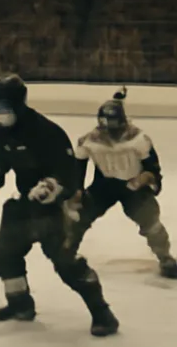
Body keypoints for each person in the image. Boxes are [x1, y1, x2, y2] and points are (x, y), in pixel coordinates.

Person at [0, 74, 119, 336]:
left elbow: (68, 173)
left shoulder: (47, 133)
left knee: (67, 264)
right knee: (3, 256)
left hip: (55, 210)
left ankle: (103, 313)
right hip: (24, 206)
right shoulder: (2, 135)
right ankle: (20, 304)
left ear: (17, 106)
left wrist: (50, 186)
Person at [69, 89, 176, 279]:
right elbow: (78, 167)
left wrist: (147, 178)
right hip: (104, 186)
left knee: (150, 221)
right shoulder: (88, 141)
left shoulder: (138, 139)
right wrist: (76, 190)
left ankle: (164, 256)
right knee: (81, 215)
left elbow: (153, 166)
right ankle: (67, 251)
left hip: (134, 186)